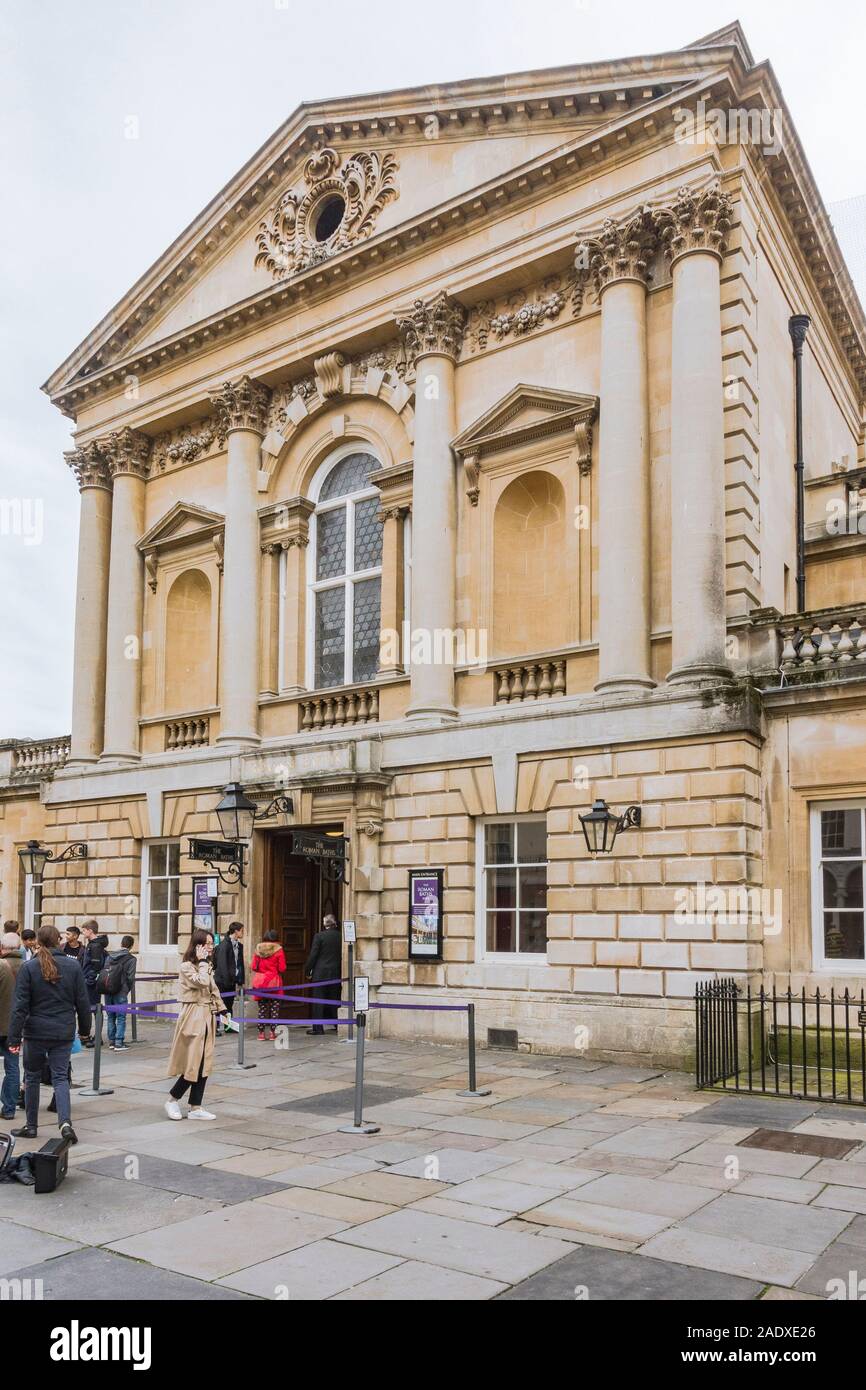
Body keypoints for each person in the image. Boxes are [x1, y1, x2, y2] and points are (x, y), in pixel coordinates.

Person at [6, 924, 91, 1143]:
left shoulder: (30, 967)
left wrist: (13, 1038)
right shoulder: (73, 967)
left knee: (32, 1077)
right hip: (63, 1031)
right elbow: (83, 1002)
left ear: (39, 942)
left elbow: (20, 1007)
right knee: (60, 1078)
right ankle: (65, 1123)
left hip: (35, 1031)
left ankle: (31, 1125)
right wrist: (84, 1030)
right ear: (58, 942)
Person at [165, 929, 226, 1121]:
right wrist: (202, 963)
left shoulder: (205, 965)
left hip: (207, 1015)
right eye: (207, 943)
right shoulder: (187, 966)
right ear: (197, 945)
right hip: (193, 1016)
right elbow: (202, 982)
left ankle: (195, 1106)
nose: (210, 947)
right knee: (193, 1061)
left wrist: (222, 1009)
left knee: (204, 1062)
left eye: (211, 943)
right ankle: (172, 1099)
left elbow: (212, 988)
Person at [304, 914, 343, 1036]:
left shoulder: (319, 936)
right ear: (334, 923)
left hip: (320, 973)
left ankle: (318, 1028)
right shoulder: (341, 936)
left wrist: (307, 970)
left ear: (325, 924)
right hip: (336, 972)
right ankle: (338, 1025)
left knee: (318, 1001)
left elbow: (313, 955)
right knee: (335, 1000)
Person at [0, 932, 24, 1119]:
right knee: (13, 1066)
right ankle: (9, 1108)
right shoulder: (26, 966)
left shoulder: (2, 966)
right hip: (14, 1026)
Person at [250, 930, 285, 1042]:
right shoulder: (279, 950)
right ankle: (272, 1033)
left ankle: (261, 1034)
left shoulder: (258, 949)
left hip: (261, 982)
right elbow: (282, 968)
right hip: (274, 981)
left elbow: (254, 967)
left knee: (262, 1008)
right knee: (274, 1009)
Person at [103, 935, 137, 1051]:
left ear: (121, 943)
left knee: (110, 1016)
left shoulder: (110, 956)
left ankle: (111, 1042)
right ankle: (119, 1042)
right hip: (121, 991)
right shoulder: (131, 959)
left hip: (108, 990)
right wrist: (126, 990)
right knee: (121, 1017)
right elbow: (130, 977)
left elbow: (105, 972)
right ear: (131, 945)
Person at [80, 920, 109, 1046]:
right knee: (92, 1008)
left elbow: (96, 965)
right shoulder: (93, 944)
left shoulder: (95, 945)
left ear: (90, 930)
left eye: (84, 930)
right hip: (88, 980)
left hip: (91, 982)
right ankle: (94, 1036)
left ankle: (98, 1038)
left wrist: (89, 980)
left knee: (96, 1009)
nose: (83, 932)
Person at [213, 922, 244, 1035]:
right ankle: (214, 1028)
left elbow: (240, 964)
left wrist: (240, 980)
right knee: (219, 1004)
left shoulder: (239, 946)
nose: (242, 933)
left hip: (231, 980)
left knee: (228, 1005)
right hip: (222, 980)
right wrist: (226, 981)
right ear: (236, 931)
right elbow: (222, 965)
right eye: (241, 930)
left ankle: (228, 1026)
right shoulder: (224, 945)